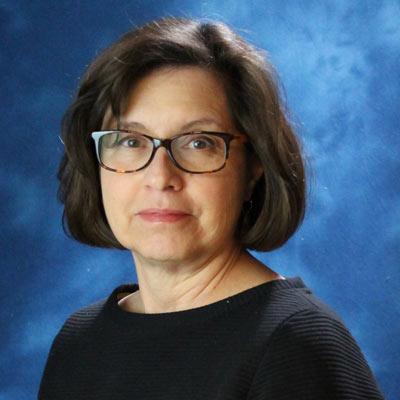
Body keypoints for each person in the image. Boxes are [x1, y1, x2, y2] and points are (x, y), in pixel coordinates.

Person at [38, 16, 384, 400]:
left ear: (254, 166)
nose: (160, 177)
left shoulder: (295, 344)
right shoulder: (79, 343)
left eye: (199, 143)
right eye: (130, 141)